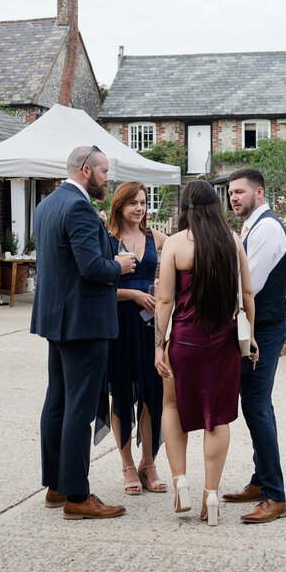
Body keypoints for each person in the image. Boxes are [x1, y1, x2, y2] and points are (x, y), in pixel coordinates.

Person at [32, 144, 136, 520]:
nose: (109, 179)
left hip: (57, 320)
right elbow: (92, 267)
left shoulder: (46, 205)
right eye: (105, 172)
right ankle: (77, 495)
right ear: (86, 171)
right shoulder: (77, 206)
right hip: (84, 322)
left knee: (57, 402)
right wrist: (119, 265)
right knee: (78, 408)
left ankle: (57, 485)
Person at [154, 179, 257, 526]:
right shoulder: (232, 241)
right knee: (218, 418)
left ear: (185, 209)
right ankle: (211, 495)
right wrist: (251, 338)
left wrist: (158, 344)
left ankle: (181, 481)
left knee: (172, 406)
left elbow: (165, 299)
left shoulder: (175, 244)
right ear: (216, 206)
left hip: (184, 342)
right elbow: (247, 294)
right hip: (224, 342)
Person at [223, 168, 286, 524]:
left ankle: (274, 496)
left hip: (264, 329)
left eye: (239, 192)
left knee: (256, 406)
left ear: (259, 193)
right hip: (256, 327)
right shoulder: (251, 227)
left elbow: (248, 285)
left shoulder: (267, 229)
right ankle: (259, 479)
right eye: (231, 193)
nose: (233, 198)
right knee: (256, 405)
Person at [97, 180, 168, 495]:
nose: (140, 208)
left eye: (143, 202)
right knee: (122, 395)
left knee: (153, 395)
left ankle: (148, 463)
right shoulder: (108, 241)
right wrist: (132, 295)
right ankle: (127, 465)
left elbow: (191, 245)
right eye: (133, 203)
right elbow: (96, 290)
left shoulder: (155, 237)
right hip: (119, 325)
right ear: (119, 206)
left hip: (151, 325)